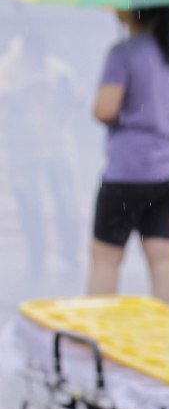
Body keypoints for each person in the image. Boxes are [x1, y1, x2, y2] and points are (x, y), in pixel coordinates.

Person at [89, 5, 169, 306]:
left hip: (130, 171)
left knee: (106, 259)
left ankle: (95, 337)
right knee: (162, 255)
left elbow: (105, 109)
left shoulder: (123, 53)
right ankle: (167, 328)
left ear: (129, 12)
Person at [0, 32, 83, 282]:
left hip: (57, 144)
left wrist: (73, 95)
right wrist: (26, 90)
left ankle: (70, 251)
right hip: (22, 147)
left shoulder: (59, 71)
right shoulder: (8, 69)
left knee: (67, 199)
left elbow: (75, 102)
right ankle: (37, 252)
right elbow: (7, 103)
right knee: (29, 201)